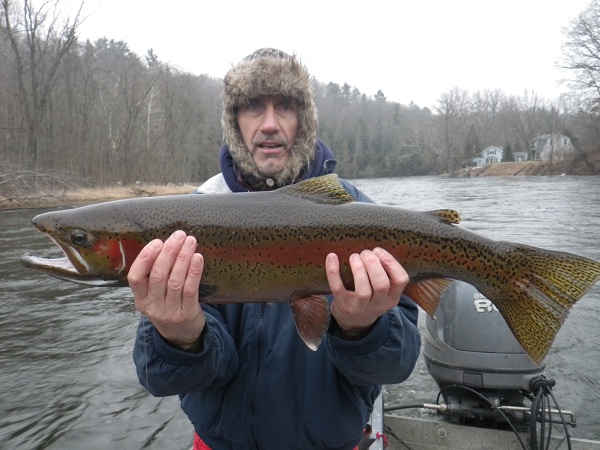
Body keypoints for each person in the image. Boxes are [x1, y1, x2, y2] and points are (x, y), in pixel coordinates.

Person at [129, 48, 421, 450]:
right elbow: (160, 378)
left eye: (285, 106)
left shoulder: (360, 217)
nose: (269, 124)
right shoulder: (187, 224)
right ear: (235, 121)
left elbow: (397, 366)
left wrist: (362, 330)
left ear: (304, 119)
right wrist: (181, 338)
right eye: (253, 106)